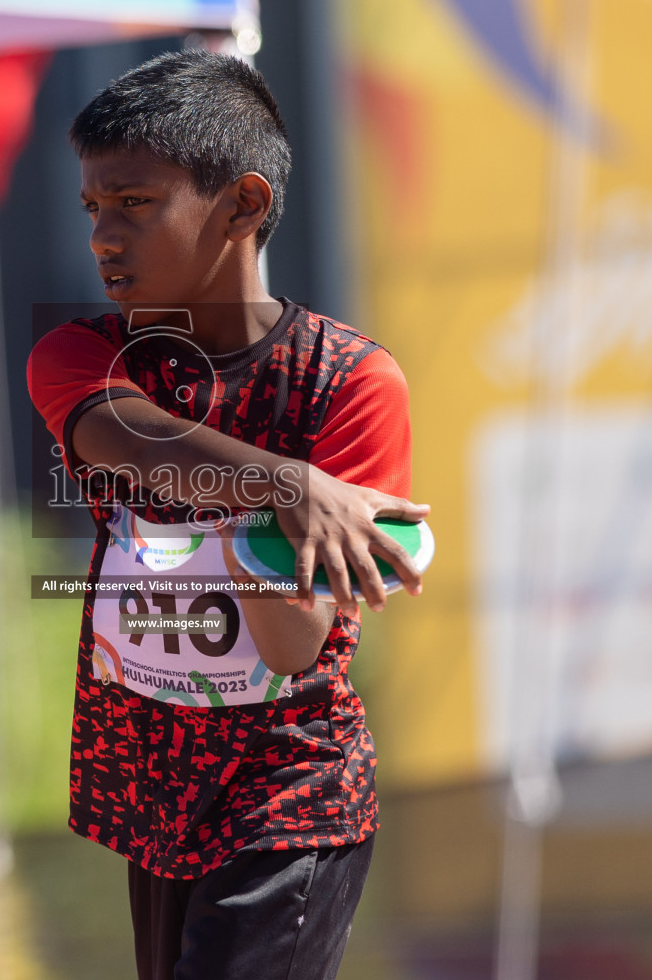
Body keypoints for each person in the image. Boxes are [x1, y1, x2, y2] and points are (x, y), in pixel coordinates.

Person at [26, 50, 426, 980]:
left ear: (244, 205)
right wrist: (285, 487)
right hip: (149, 783)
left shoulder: (353, 386)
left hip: (289, 792)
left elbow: (293, 646)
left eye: (133, 202)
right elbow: (124, 440)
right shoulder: (77, 355)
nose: (101, 238)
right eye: (92, 208)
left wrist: (243, 519)